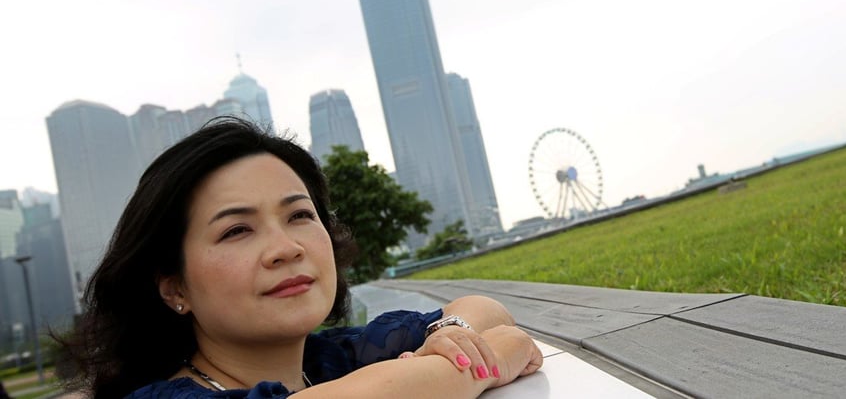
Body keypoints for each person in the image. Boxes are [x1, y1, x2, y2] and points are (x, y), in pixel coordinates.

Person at [58, 117, 542, 398]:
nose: (286, 248)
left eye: (299, 216)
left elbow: (485, 309)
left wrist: (453, 335)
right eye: (237, 230)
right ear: (174, 287)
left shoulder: (330, 360)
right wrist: (485, 359)